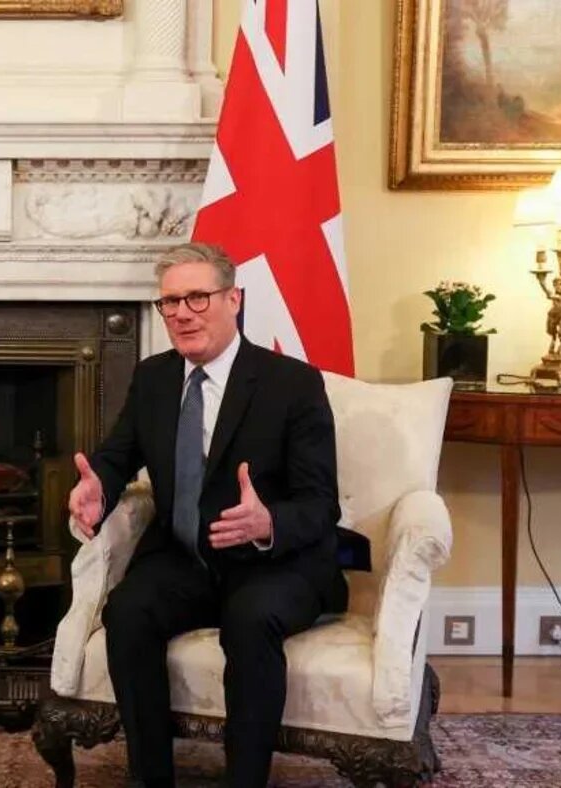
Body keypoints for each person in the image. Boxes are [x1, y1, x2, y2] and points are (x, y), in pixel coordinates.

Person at [68, 242, 346, 788]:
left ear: (233, 299)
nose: (182, 313)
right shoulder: (153, 379)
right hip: (185, 558)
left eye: (197, 297)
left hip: (276, 562)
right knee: (127, 611)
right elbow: (119, 454)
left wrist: (267, 523)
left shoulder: (292, 384)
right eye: (169, 302)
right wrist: (97, 484)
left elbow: (321, 503)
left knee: (249, 620)